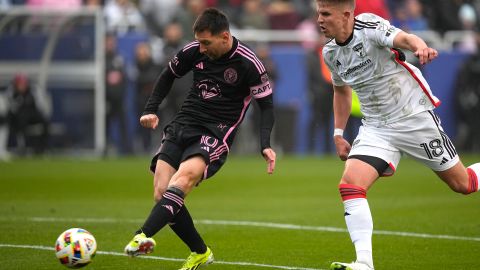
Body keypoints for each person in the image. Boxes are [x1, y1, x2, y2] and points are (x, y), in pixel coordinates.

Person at [314, 1, 480, 270]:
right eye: (318, 13)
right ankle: (364, 263)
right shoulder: (330, 53)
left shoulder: (369, 26)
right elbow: (341, 90)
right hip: (377, 127)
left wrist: (419, 47)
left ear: (346, 14)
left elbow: (404, 37)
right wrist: (338, 133)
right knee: (350, 185)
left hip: (414, 118)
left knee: (464, 184)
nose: (319, 20)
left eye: (325, 14)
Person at [123, 8, 276, 270]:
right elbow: (167, 75)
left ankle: (142, 234)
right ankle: (200, 252)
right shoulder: (194, 50)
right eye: (199, 42)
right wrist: (150, 109)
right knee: (162, 192)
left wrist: (265, 144)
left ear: (225, 37)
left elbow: (267, 106)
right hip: (183, 123)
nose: (201, 48)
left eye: (207, 42)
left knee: (182, 180)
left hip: (215, 132)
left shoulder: (249, 63)